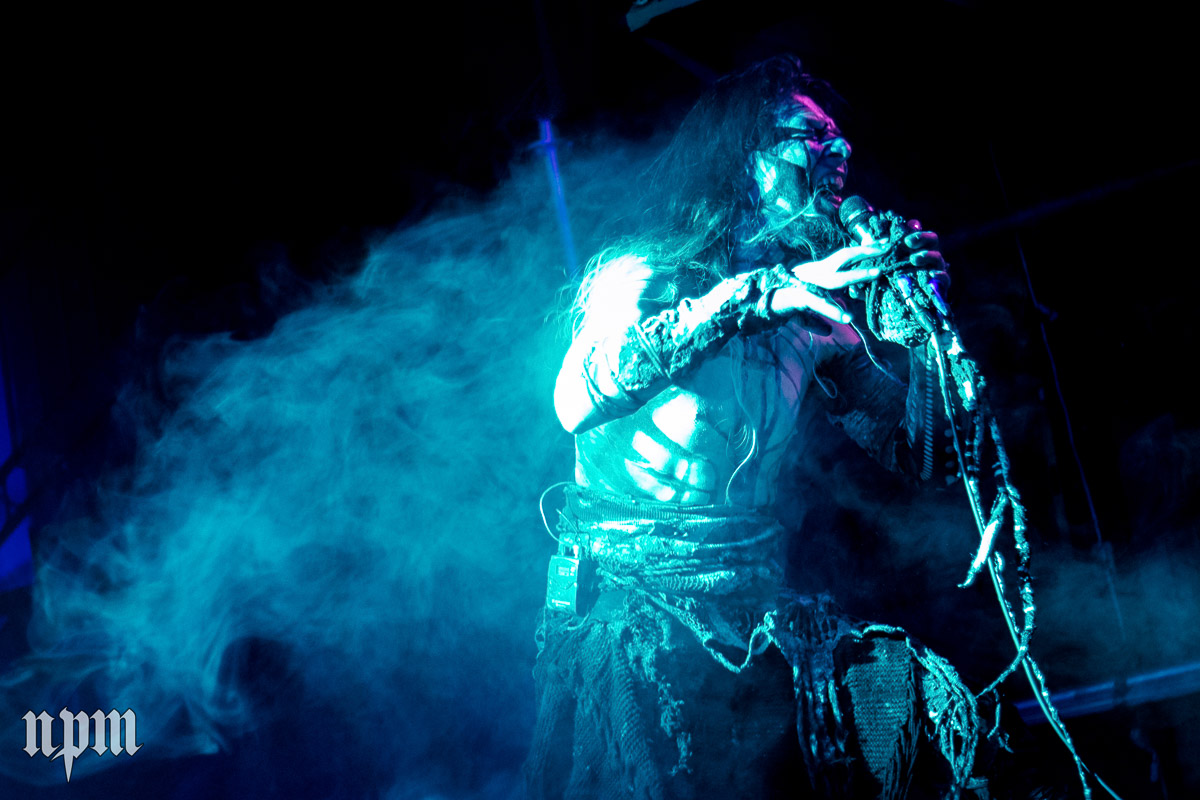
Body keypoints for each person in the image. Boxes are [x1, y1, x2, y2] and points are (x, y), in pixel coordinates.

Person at [525, 56, 992, 799]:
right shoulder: (644, 276)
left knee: (907, 726)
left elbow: (927, 457)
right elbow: (575, 402)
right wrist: (754, 297)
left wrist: (926, 333)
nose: (839, 152)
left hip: (753, 603)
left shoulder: (813, 317)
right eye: (811, 136)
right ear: (746, 159)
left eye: (840, 139)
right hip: (633, 604)